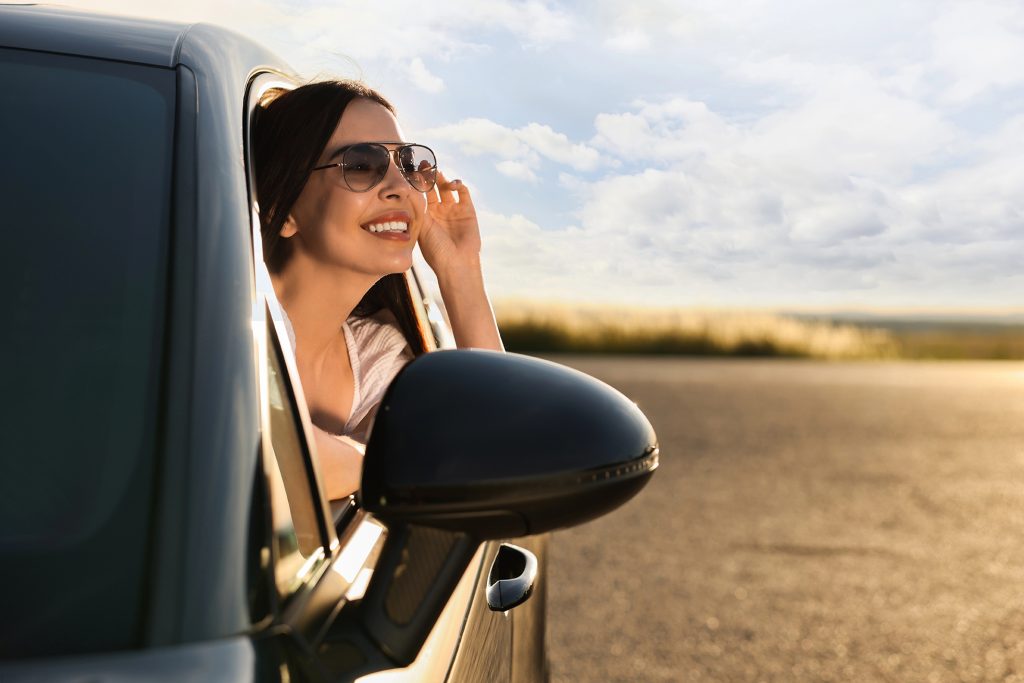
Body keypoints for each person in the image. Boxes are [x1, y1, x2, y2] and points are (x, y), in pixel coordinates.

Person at [253, 80, 503, 499]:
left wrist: (461, 272)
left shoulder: (374, 356)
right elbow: (269, 447)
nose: (401, 186)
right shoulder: (237, 326)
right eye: (361, 165)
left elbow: (500, 452)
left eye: (408, 164)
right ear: (283, 211)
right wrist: (390, 462)